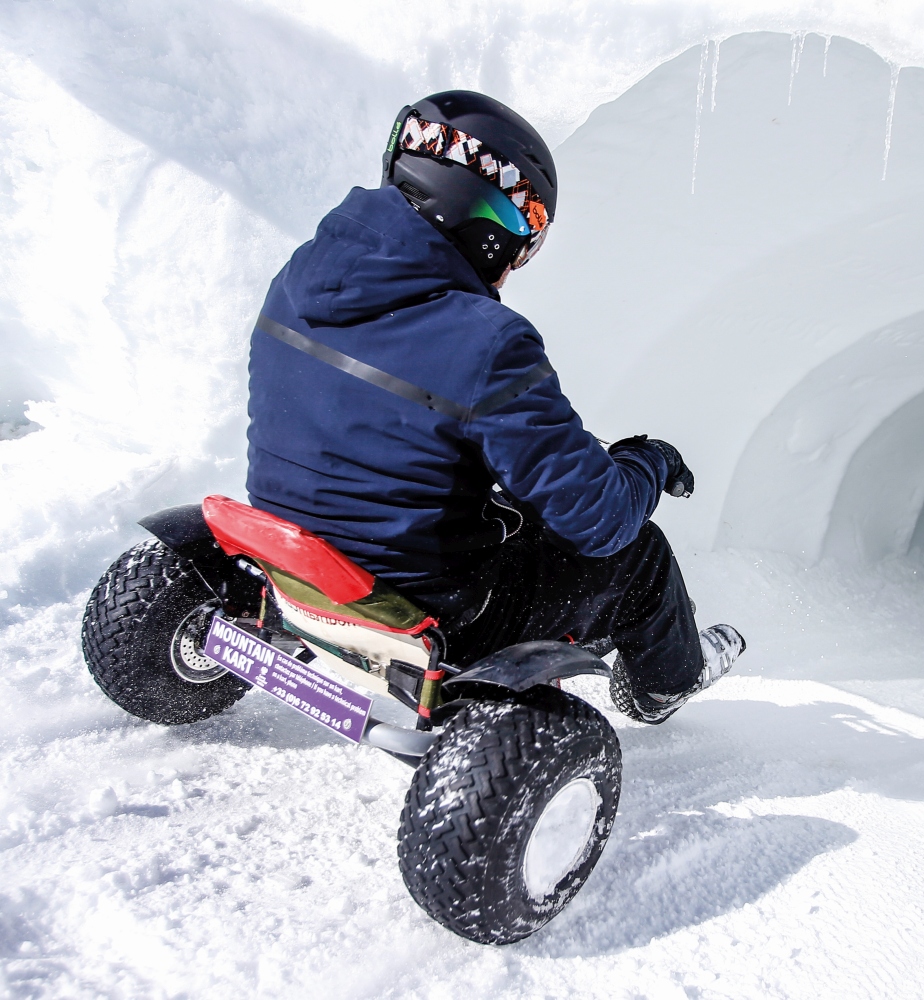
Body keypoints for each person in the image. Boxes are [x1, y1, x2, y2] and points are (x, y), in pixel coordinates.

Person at [244, 91, 744, 723]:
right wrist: (647, 462)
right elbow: (600, 519)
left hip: (296, 559)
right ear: (473, 212)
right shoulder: (485, 338)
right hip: (431, 608)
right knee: (638, 554)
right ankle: (667, 684)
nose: (518, 253)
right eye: (520, 225)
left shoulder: (298, 278)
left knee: (512, 503)